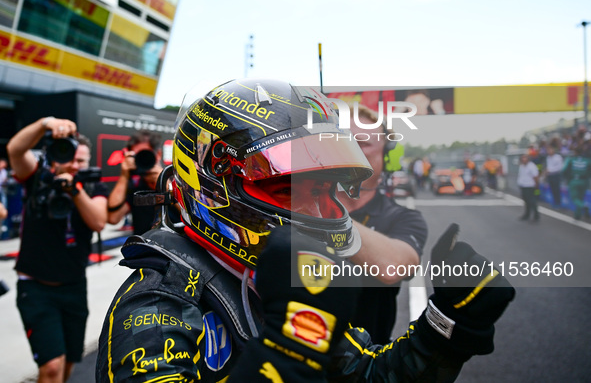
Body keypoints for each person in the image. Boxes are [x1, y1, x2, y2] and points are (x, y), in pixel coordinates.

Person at [96, 78, 514, 382]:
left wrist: (449, 328)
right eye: (289, 188)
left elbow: (370, 373)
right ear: (216, 181)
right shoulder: (157, 303)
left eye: (322, 190)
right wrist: (283, 358)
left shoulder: (269, 281)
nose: (318, 209)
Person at [7, 116, 107, 383]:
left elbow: (98, 221)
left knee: (69, 363)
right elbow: (15, 150)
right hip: (36, 287)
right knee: (51, 367)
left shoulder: (91, 186)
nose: (74, 165)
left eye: (81, 161)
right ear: (54, 156)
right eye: (69, 157)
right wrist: (43, 124)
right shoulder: (38, 177)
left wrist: (74, 190)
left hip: (73, 286)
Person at [339, 104, 426, 344]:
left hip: (366, 364)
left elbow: (395, 267)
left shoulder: (403, 217)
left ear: (387, 155)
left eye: (363, 143)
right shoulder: (294, 202)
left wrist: (317, 211)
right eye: (342, 139)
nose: (349, 148)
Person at [107, 130, 164, 235]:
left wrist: (165, 184)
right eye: (138, 156)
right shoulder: (136, 185)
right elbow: (113, 218)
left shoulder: (173, 179)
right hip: (143, 247)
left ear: (158, 154)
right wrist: (124, 175)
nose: (143, 159)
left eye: (146, 154)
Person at [562, 145, 591, 220]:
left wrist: (567, 178)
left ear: (575, 152)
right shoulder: (587, 160)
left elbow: (563, 169)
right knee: (580, 198)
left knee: (575, 198)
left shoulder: (571, 159)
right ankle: (577, 215)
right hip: (584, 181)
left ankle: (584, 206)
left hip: (574, 181)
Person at [517, 154, 540, 222]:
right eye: (522, 158)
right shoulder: (521, 166)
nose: (523, 160)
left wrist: (536, 185)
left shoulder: (531, 166)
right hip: (523, 185)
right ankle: (527, 214)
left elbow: (535, 176)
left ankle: (536, 216)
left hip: (530, 186)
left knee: (532, 201)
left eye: (525, 158)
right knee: (526, 201)